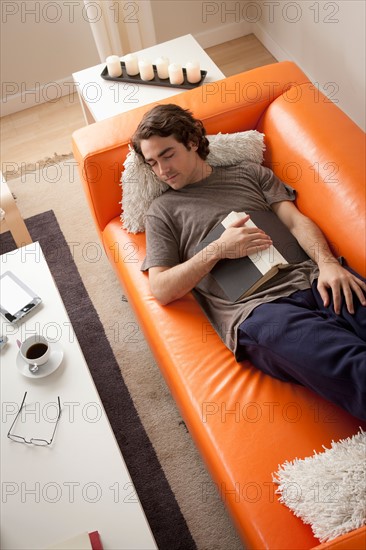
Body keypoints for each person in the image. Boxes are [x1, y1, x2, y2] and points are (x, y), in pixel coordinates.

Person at [131, 103, 366, 420]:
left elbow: (296, 222)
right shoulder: (162, 211)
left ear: (193, 142)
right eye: (152, 163)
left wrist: (328, 264)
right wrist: (217, 249)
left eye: (167, 155)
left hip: (317, 279)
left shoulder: (249, 173)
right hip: (261, 311)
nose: (162, 170)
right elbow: (161, 288)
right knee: (355, 367)